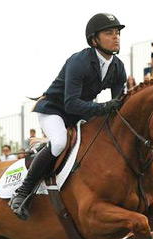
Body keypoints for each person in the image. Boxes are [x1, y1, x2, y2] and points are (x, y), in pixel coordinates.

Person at [9, 13, 127, 220]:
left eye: (117, 33)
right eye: (109, 33)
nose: (116, 37)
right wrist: (103, 108)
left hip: (79, 114)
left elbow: (118, 105)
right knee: (59, 143)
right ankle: (22, 192)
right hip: (54, 110)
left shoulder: (117, 67)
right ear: (94, 40)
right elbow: (70, 103)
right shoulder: (79, 61)